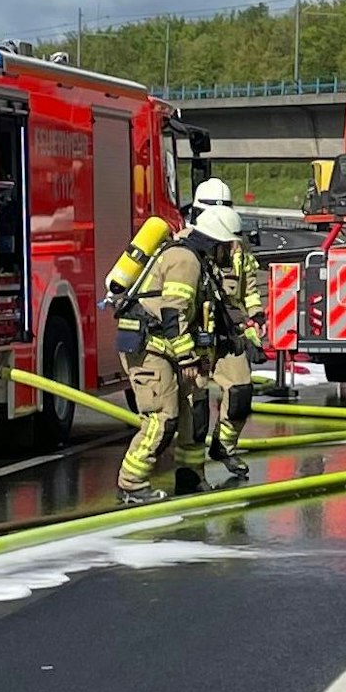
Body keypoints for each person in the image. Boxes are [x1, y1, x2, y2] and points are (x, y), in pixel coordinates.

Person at [113, 205, 242, 503]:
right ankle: (131, 484)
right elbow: (173, 312)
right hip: (151, 347)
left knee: (194, 415)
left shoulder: (200, 261)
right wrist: (186, 358)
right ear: (215, 241)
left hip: (171, 346)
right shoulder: (184, 260)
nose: (231, 252)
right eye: (228, 245)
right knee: (163, 416)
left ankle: (190, 477)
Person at [188, 178, 264, 479]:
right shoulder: (185, 247)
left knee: (241, 392)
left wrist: (255, 319)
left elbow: (248, 290)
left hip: (227, 333)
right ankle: (191, 469)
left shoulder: (237, 249)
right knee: (195, 407)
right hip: (195, 338)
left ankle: (225, 446)